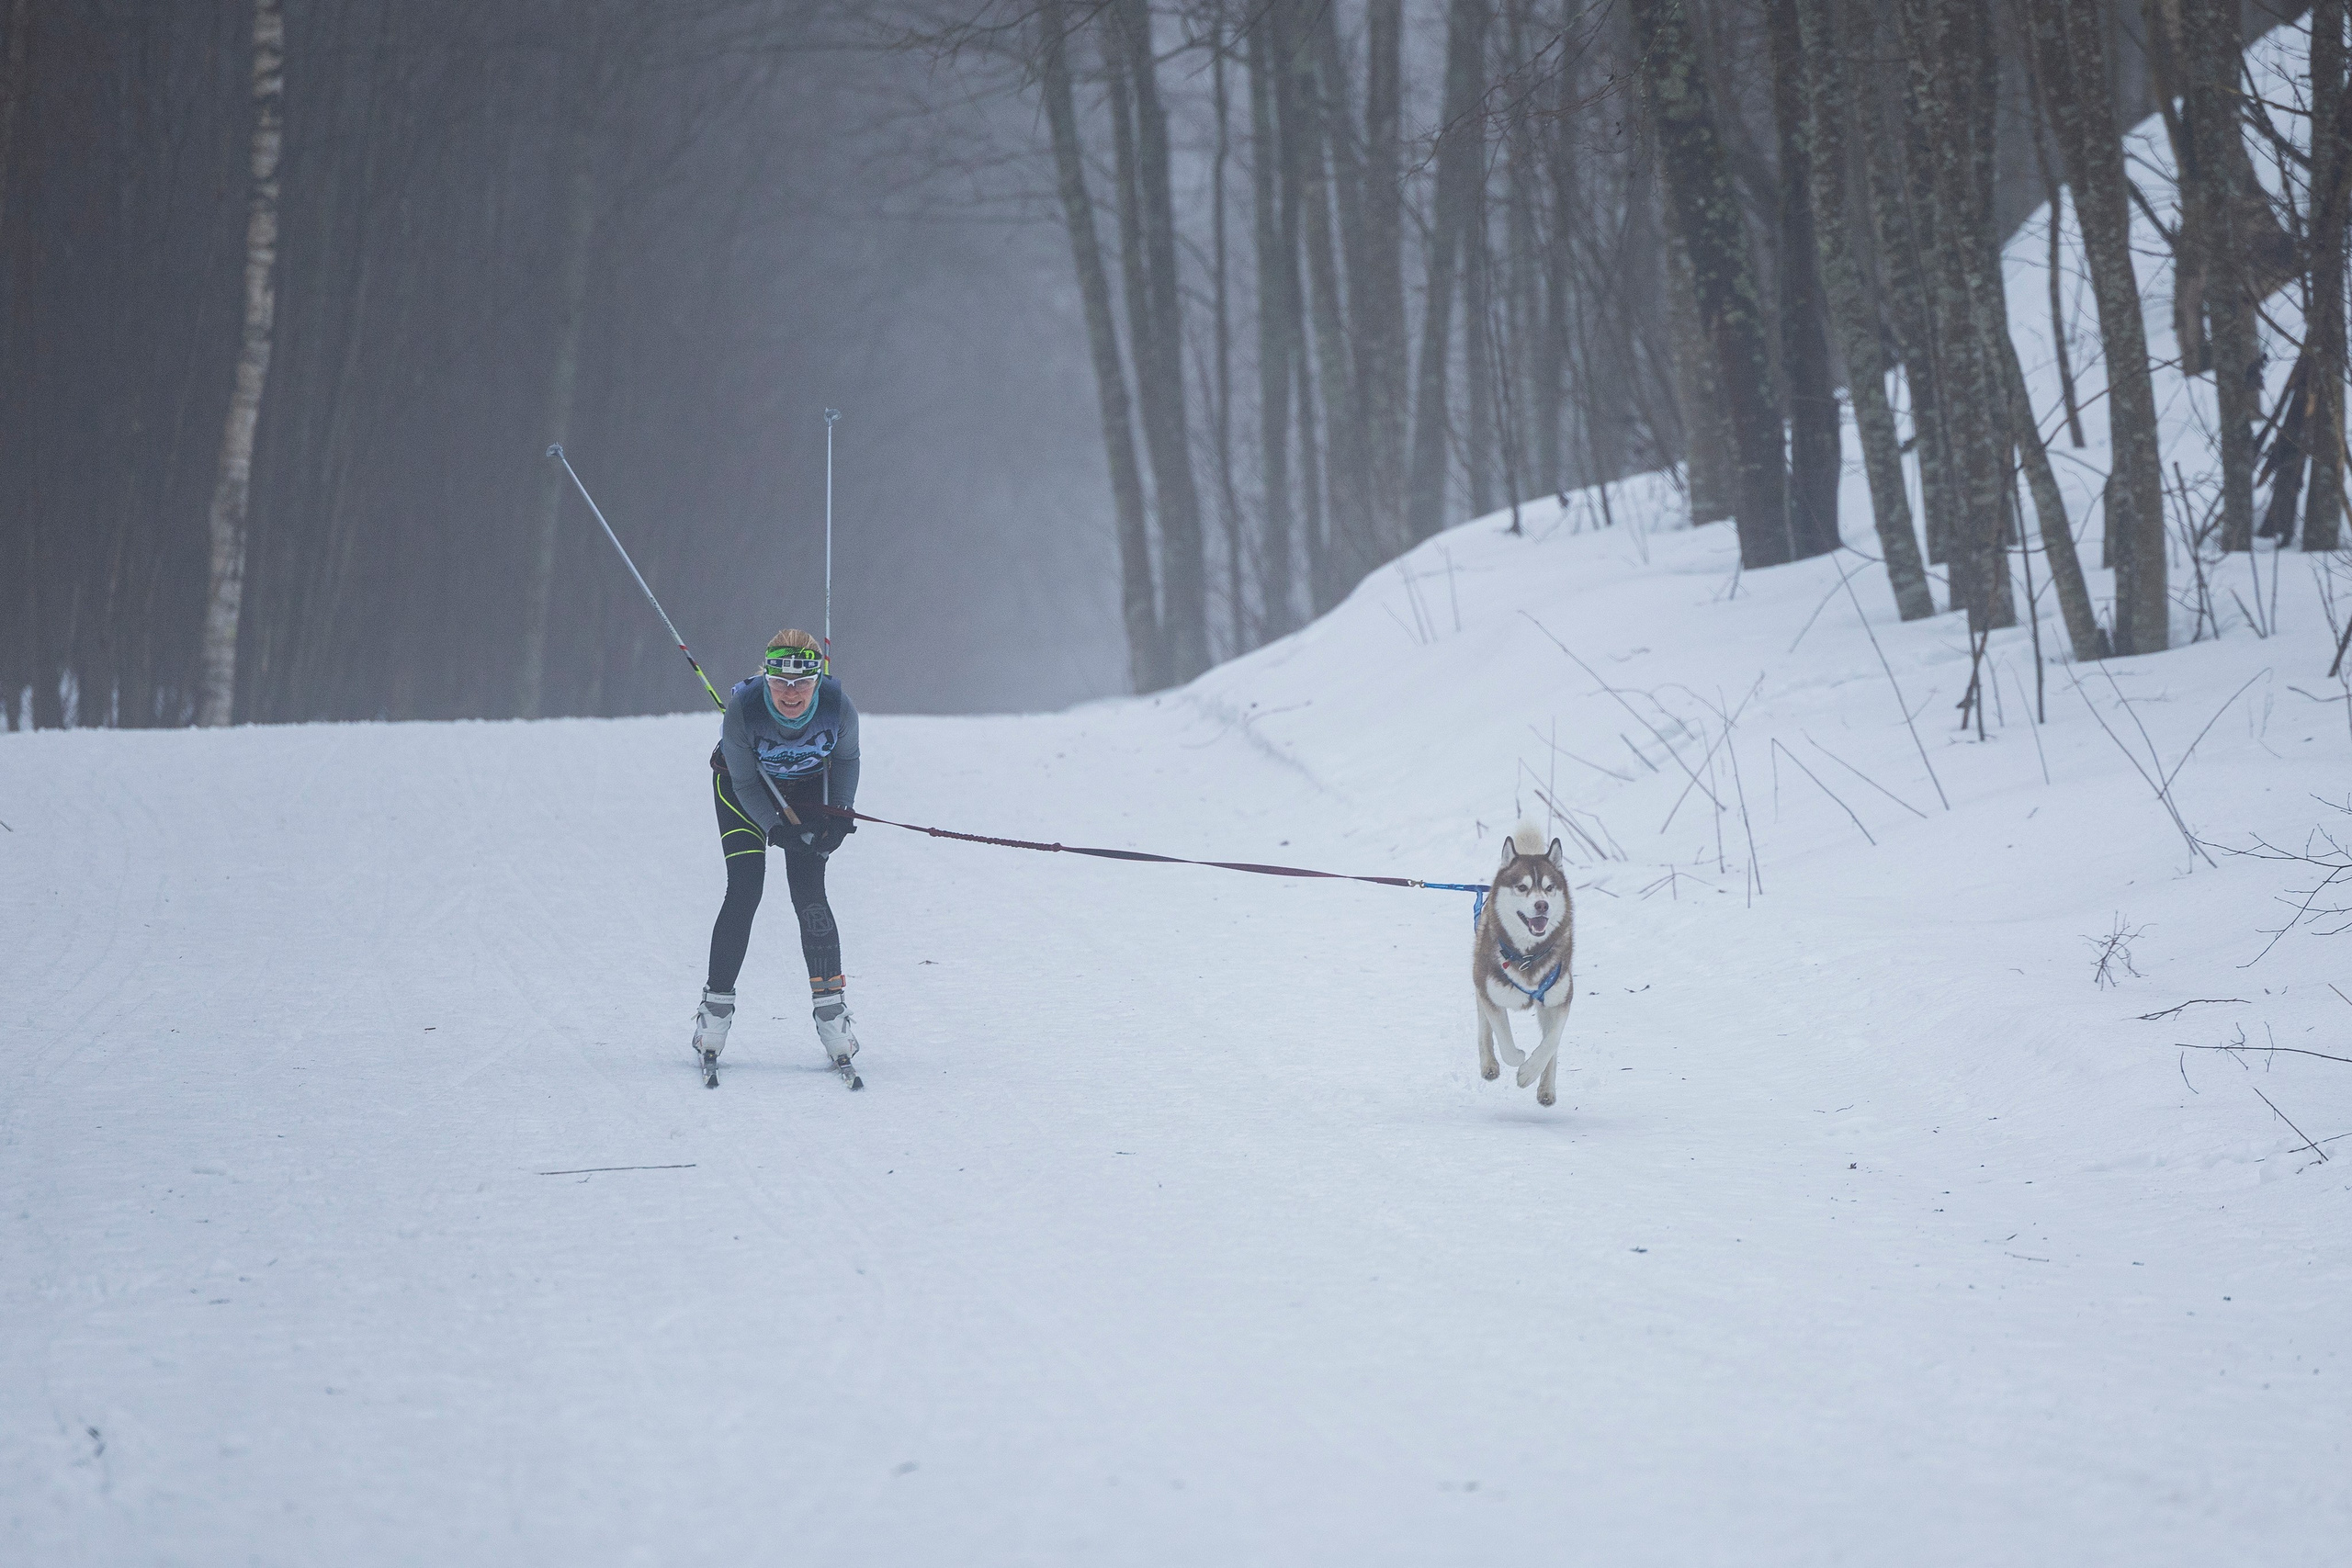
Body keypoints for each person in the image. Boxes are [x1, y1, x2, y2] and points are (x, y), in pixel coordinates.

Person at [691, 628, 861, 1068]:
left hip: (804, 792)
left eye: (802, 682)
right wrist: (774, 827)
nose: (791, 693)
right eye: (780, 682)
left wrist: (840, 813)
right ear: (766, 678)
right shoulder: (743, 711)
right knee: (745, 890)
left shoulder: (837, 706)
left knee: (809, 895)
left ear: (817, 680)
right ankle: (714, 1015)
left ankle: (833, 1017)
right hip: (742, 793)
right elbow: (746, 782)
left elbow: (845, 760)